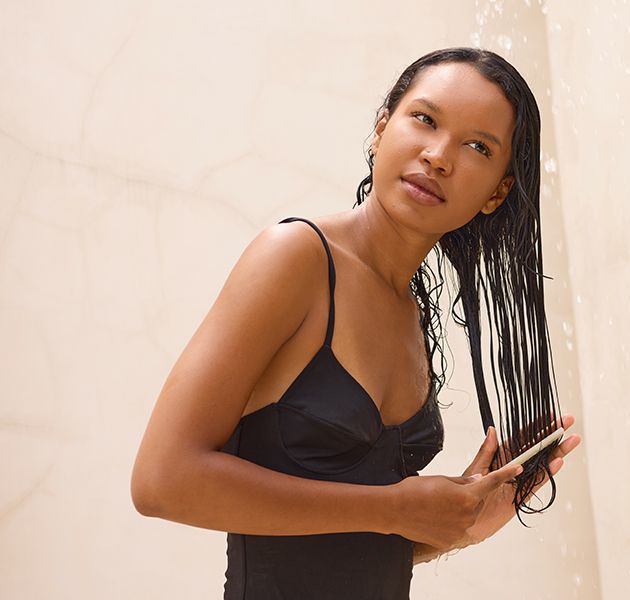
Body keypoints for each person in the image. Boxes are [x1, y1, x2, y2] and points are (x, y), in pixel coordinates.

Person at [130, 47, 581, 599]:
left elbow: (342, 547)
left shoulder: (413, 312)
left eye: (477, 146)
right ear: (381, 128)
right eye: (425, 119)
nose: (438, 156)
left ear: (497, 193)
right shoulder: (296, 257)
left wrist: (458, 524)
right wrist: (396, 507)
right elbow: (161, 480)